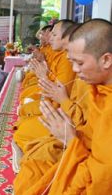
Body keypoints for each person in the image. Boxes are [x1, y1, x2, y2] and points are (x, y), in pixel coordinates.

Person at [14, 19, 112, 194]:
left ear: (106, 60)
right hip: (74, 141)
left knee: (35, 171)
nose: (74, 69)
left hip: (79, 153)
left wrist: (69, 138)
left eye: (80, 63)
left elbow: (100, 180)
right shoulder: (96, 84)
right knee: (34, 158)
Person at [13, 20, 76, 152]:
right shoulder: (61, 55)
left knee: (22, 129)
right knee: (25, 102)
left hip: (61, 116)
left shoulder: (66, 59)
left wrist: (44, 74)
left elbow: (59, 95)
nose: (47, 38)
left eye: (53, 35)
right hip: (54, 105)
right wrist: (43, 68)